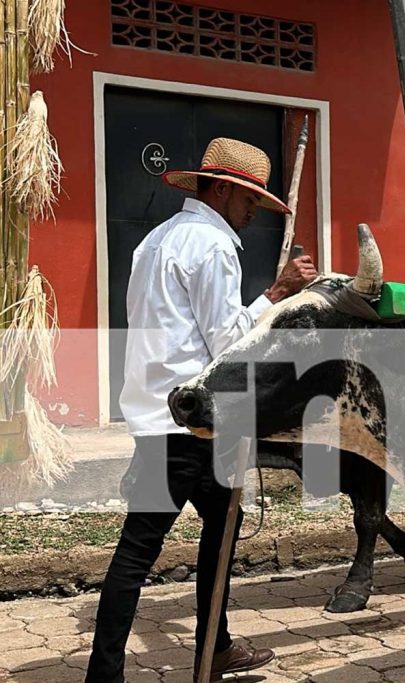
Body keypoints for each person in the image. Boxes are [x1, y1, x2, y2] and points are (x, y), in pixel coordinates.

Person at [86, 138, 317, 683]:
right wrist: (278, 292)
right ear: (220, 189)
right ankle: (110, 673)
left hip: (154, 413)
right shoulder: (212, 246)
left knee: (214, 530)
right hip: (193, 421)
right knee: (146, 551)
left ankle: (214, 646)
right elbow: (226, 344)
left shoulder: (155, 241)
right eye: (248, 199)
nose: (253, 210)